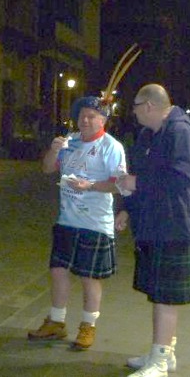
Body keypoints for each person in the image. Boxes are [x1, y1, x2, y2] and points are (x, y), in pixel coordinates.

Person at [116, 84, 190, 377]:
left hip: (175, 225)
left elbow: (181, 179)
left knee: (165, 296)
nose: (133, 113)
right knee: (159, 293)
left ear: (149, 106)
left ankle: (160, 360)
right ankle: (164, 352)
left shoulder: (180, 132)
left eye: (135, 107)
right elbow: (140, 173)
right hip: (156, 223)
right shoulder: (150, 134)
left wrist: (137, 183)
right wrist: (128, 208)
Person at [28, 96, 127, 350]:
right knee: (58, 271)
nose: (85, 120)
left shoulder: (111, 146)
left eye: (92, 116)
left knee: (89, 277)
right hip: (66, 219)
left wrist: (90, 185)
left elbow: (119, 183)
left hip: (95, 222)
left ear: (103, 120)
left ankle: (88, 326)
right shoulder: (69, 141)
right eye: (82, 115)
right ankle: (56, 321)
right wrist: (54, 151)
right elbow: (47, 169)